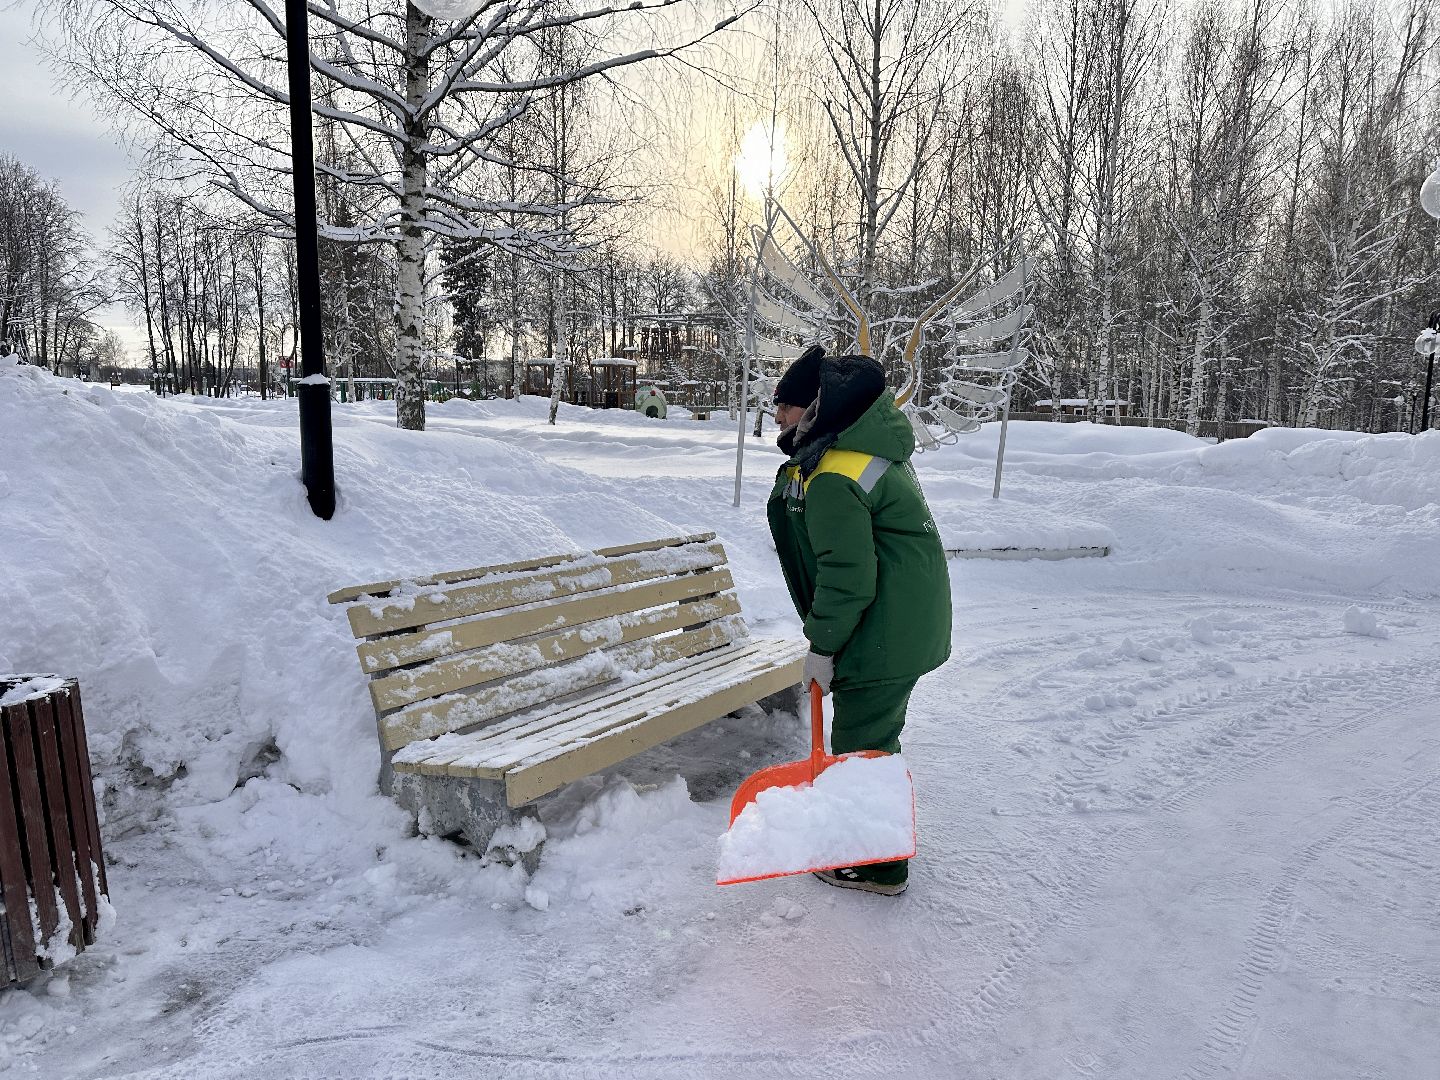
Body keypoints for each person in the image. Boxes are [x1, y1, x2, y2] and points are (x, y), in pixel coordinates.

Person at [767, 344, 951, 896]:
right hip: (901, 624)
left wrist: (822, 647)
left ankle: (878, 863)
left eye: (786, 405)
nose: (777, 417)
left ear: (815, 408)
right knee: (874, 737)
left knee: (862, 744)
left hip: (883, 634)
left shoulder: (833, 478)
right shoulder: (865, 453)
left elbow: (847, 577)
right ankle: (873, 845)